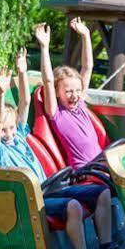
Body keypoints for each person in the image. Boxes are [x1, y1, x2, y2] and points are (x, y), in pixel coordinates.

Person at [0, 47, 125, 249]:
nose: (9, 133)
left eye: (12, 128)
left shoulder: (21, 136)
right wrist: (0, 93)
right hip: (31, 198)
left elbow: (25, 103)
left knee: (102, 193)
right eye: (4, 130)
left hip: (50, 188)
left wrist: (22, 72)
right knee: (73, 206)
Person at [39, 18, 104, 169]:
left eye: (77, 90)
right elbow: (48, 80)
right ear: (57, 93)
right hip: (84, 170)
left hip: (101, 164)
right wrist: (44, 47)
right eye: (68, 91)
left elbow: (87, 67)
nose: (74, 95)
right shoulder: (57, 113)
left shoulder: (80, 103)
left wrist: (86, 35)